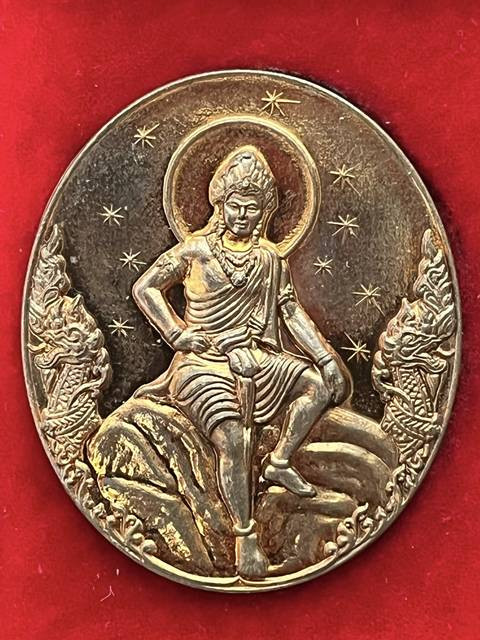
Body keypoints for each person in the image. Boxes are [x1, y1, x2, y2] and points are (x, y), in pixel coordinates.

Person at [132, 145, 348, 577]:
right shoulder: (194, 251)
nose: (243, 215)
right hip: (202, 364)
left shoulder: (269, 259)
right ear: (220, 204)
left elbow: (289, 312)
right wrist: (177, 334)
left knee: (317, 386)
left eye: (252, 207)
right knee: (233, 437)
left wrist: (325, 358)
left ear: (264, 211)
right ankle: (245, 536)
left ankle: (280, 461)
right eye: (235, 205)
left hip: (258, 358)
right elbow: (145, 288)